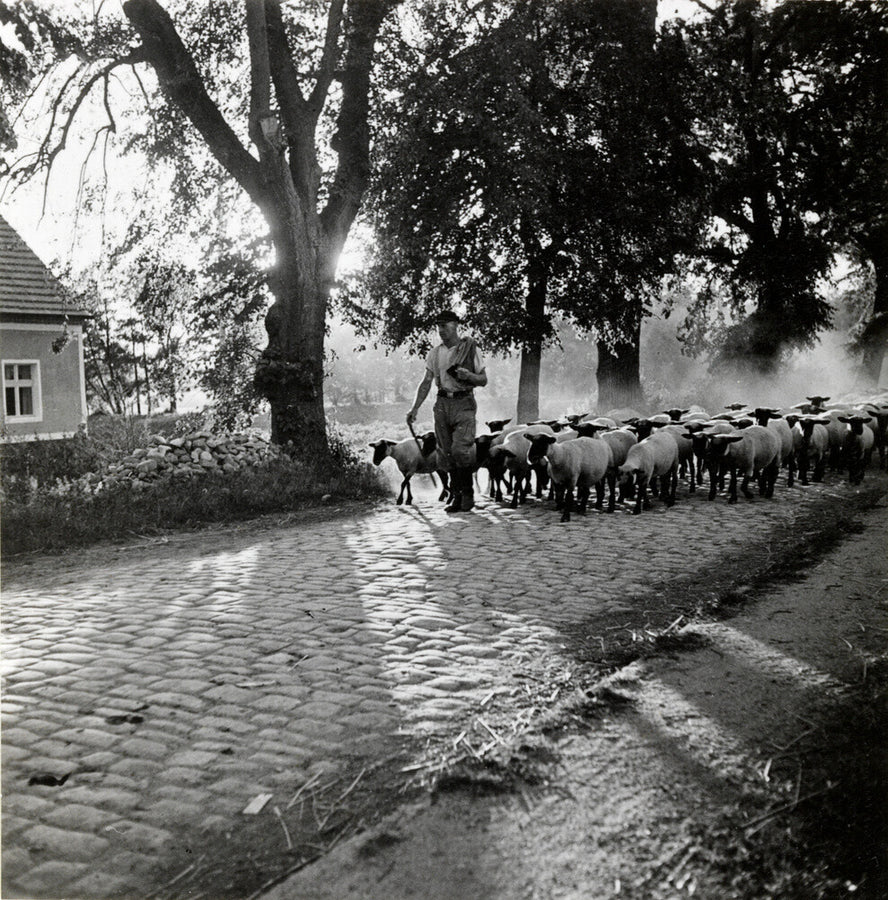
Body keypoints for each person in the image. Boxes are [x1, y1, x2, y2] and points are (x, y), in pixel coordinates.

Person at [406, 310, 487, 512]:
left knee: (461, 449)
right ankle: (456, 495)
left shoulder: (470, 349)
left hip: (464, 402)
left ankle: (467, 493)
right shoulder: (435, 353)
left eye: (445, 325)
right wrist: (414, 408)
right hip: (442, 404)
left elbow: (483, 380)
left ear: (456, 325)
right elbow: (426, 382)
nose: (441, 330)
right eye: (439, 326)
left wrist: (468, 375)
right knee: (446, 454)